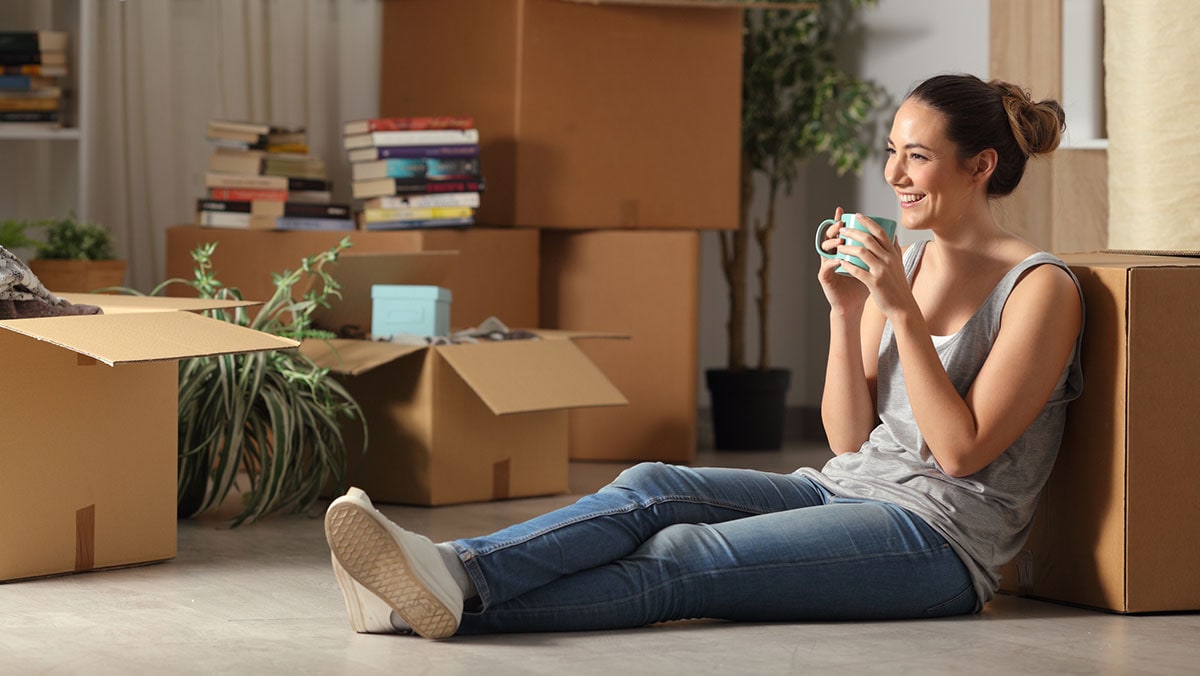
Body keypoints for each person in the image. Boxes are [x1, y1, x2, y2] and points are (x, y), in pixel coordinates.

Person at [322, 73, 1084, 639]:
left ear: (980, 166)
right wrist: (844, 312)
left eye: (916, 157)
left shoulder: (1039, 289)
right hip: (848, 488)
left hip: (940, 543)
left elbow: (957, 453)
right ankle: (449, 572)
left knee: (685, 556)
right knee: (654, 486)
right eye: (891, 152)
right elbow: (849, 441)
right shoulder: (912, 265)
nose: (892, 176)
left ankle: (418, 603)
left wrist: (899, 313)